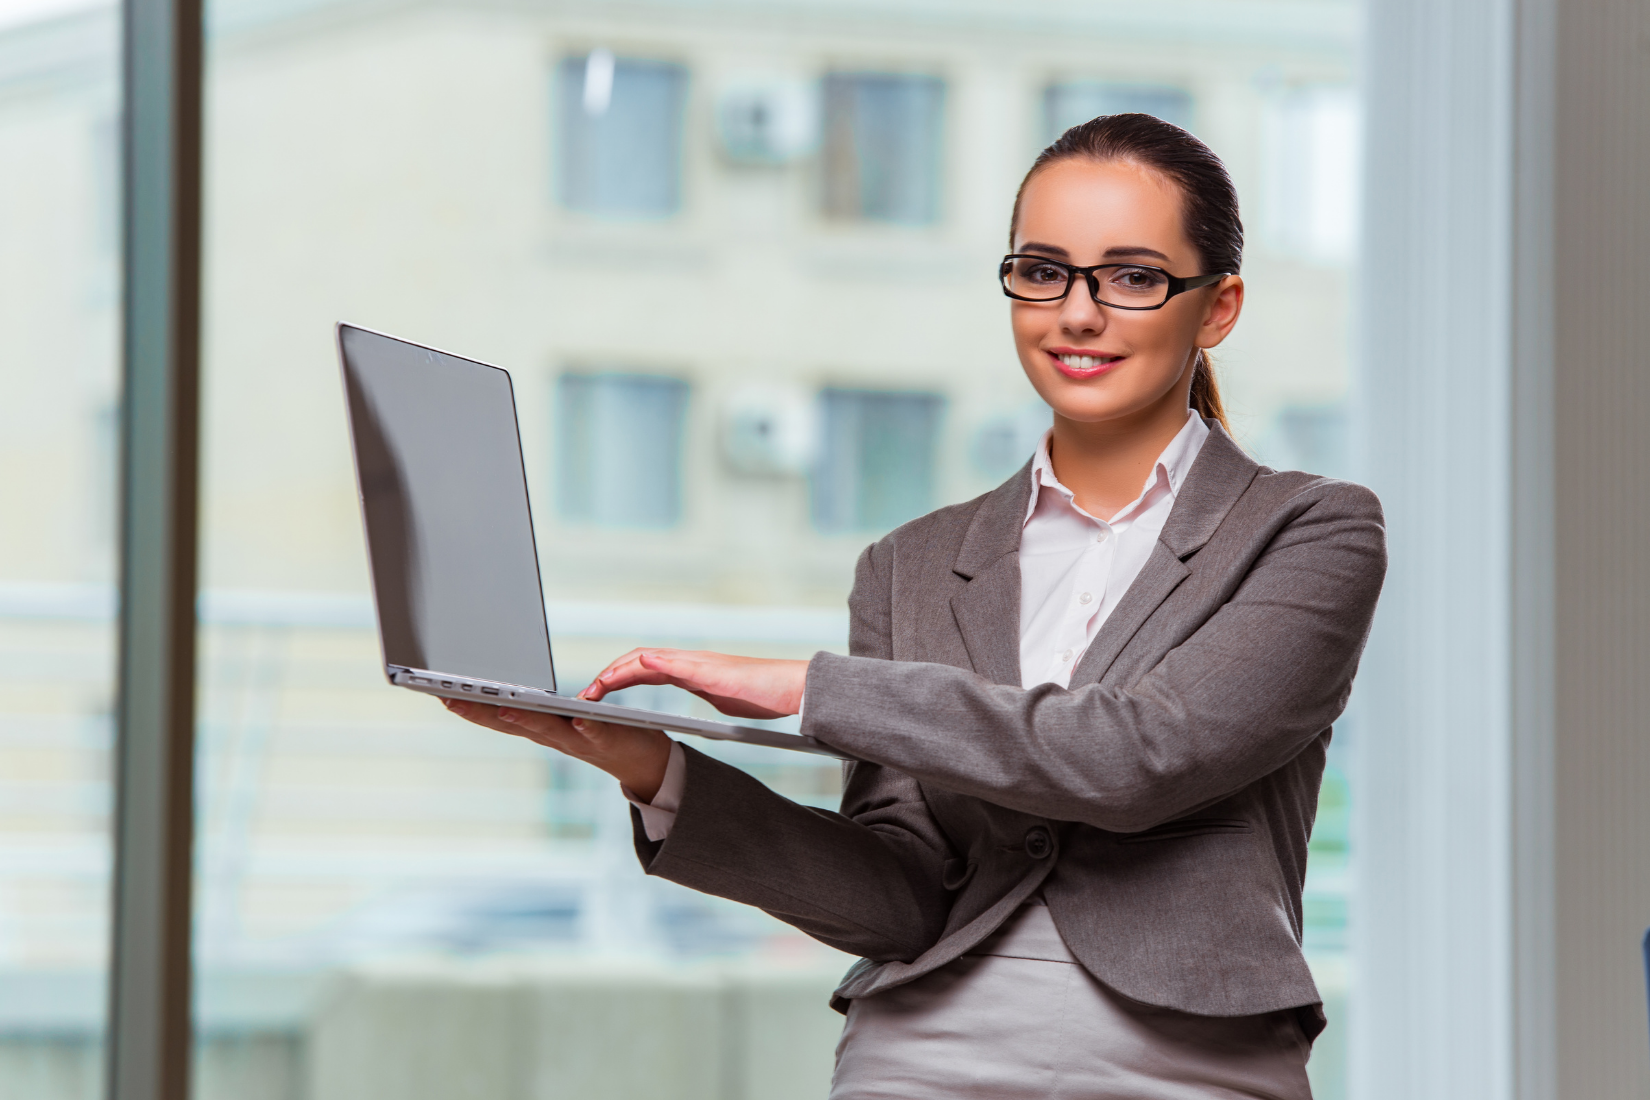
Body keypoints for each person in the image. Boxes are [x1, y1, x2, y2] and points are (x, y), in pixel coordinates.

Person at [445, 113, 1387, 1099]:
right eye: (1042, 270)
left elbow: (1139, 753)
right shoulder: (911, 564)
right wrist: (660, 770)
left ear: (1217, 306)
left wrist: (814, 689)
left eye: (1133, 276)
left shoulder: (1309, 531)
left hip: (1185, 1058)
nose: (1077, 311)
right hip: (926, 1050)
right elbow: (899, 896)